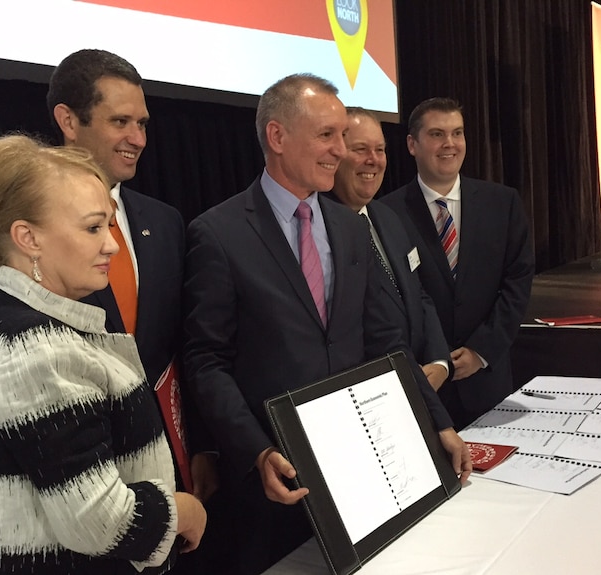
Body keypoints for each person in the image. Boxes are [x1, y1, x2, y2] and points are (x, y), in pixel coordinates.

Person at [182, 74, 471, 575]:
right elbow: (205, 360)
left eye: (342, 136)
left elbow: (387, 344)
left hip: (359, 475)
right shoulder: (218, 233)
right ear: (277, 136)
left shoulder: (349, 227)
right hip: (274, 485)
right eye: (327, 136)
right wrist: (255, 450)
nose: (341, 151)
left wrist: (437, 422)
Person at [0, 49, 218, 508]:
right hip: (66, 490)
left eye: (143, 124)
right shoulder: (9, 235)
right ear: (69, 120)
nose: (137, 138)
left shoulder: (166, 221)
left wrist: (203, 446)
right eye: (120, 122)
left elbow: (180, 348)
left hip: (165, 471)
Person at [0, 134, 206, 574]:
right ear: (28, 237)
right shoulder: (38, 352)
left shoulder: (5, 318)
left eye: (108, 225)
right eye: (92, 228)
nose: (111, 245)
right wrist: (182, 509)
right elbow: (100, 523)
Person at [380, 97, 535, 430]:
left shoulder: (503, 203)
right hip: (425, 382)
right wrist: (436, 359)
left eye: (457, 133)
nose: (449, 143)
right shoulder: (386, 213)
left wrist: (481, 350)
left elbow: (517, 282)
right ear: (412, 144)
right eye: (437, 134)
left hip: (488, 378)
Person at [331, 107, 451, 391]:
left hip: (419, 381)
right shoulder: (319, 231)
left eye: (380, 150)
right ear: (334, 154)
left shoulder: (388, 217)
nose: (373, 160)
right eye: (360, 149)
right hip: (370, 391)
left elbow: (418, 293)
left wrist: (439, 360)